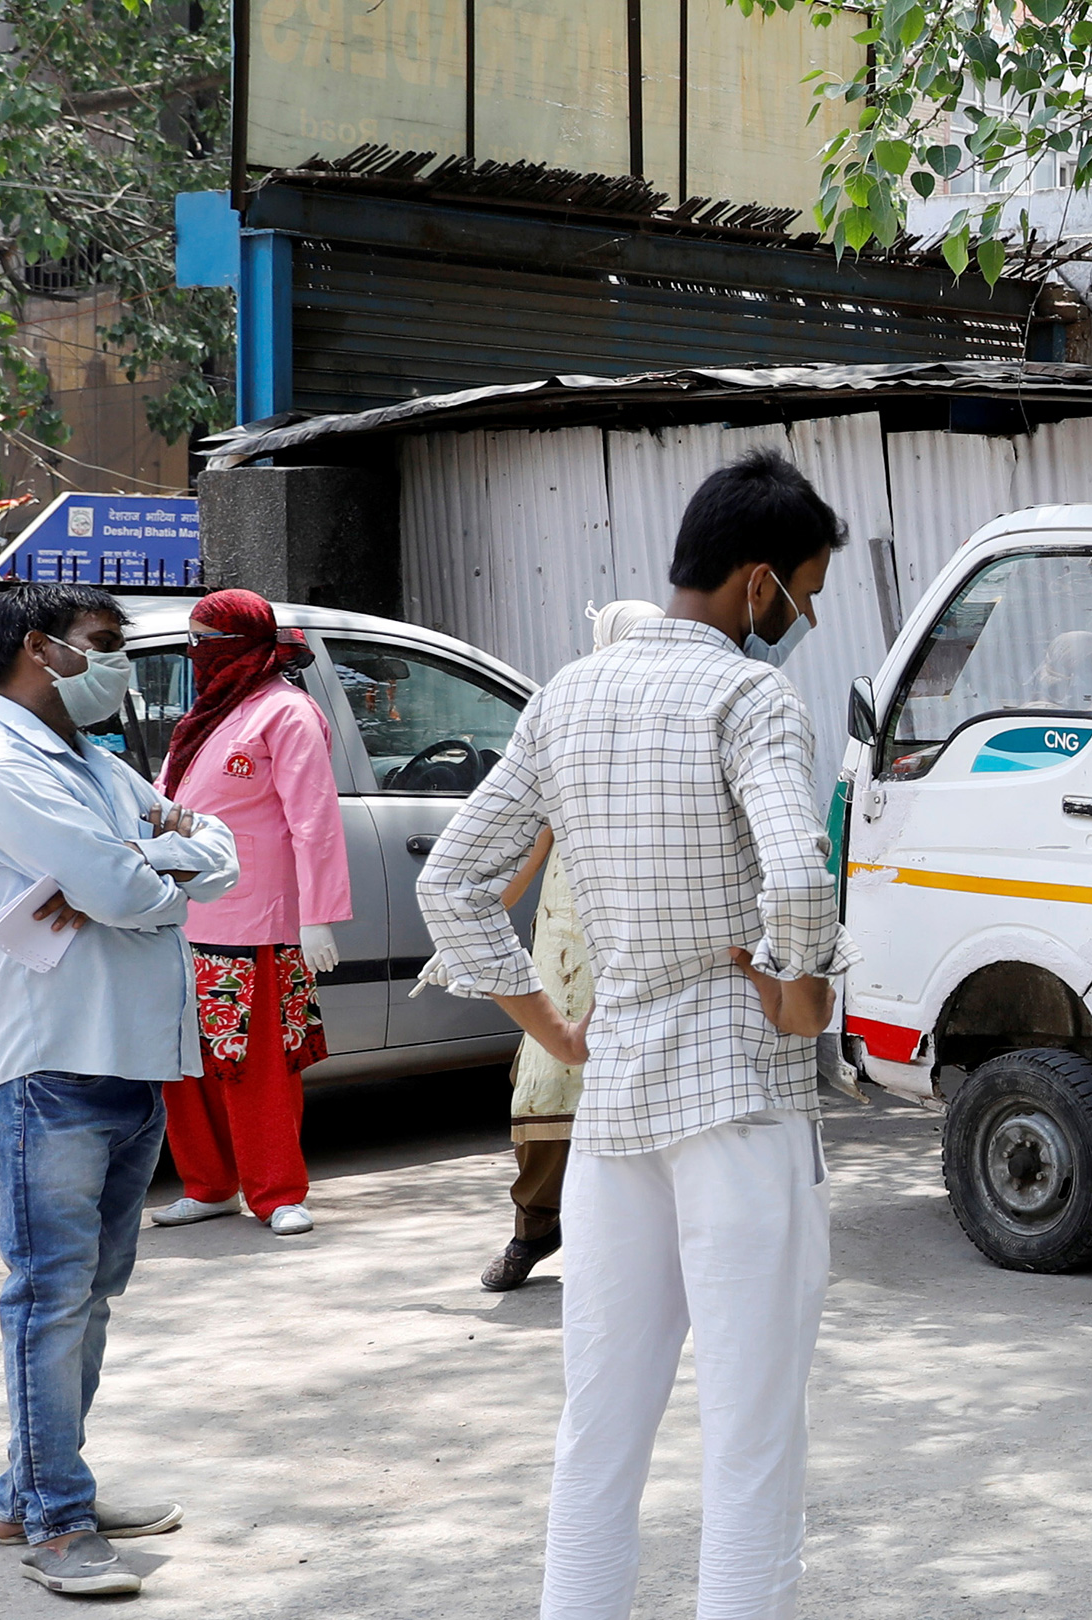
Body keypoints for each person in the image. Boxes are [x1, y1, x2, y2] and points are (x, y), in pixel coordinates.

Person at [415, 449, 851, 1617]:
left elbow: (454, 882)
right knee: (753, 1435)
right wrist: (795, 987)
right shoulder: (751, 696)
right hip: (739, 1099)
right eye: (805, 592)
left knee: (599, 1428)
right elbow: (801, 882)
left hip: (613, 1101)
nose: (804, 616)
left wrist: (553, 1030)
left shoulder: (568, 694)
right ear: (757, 583)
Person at [0, 583, 238, 1596]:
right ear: (42, 650)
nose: (118, 663)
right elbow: (128, 887)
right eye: (102, 644)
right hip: (46, 1073)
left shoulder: (97, 767)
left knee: (90, 1298)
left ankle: (32, 1482)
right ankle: (57, 1525)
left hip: (128, 1061)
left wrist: (136, 868)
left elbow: (217, 853)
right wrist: (145, 876)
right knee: (50, 1300)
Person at [143, 589, 349, 1238]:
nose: (195, 653)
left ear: (240, 644)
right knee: (187, 1061)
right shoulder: (207, 715)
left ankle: (277, 1192)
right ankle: (207, 1185)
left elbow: (313, 822)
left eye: (205, 640)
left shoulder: (286, 713)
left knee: (257, 1065)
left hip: (253, 918)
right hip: (183, 916)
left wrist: (318, 915)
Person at [480, 599, 661, 1294]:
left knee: (651, 1083)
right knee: (551, 1081)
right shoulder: (572, 723)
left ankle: (632, 1241)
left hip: (651, 929)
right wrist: (472, 915)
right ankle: (535, 1232)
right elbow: (529, 844)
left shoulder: (678, 727)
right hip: (571, 940)